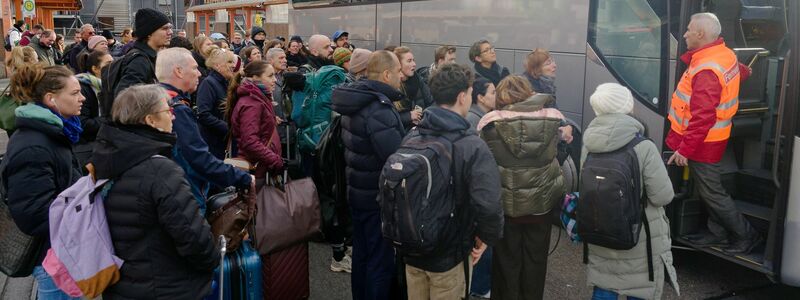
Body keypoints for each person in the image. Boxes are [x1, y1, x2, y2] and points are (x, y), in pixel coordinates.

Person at [91, 84, 219, 299]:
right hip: (168, 286)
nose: (174, 117)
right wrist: (212, 261)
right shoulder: (160, 170)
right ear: (150, 120)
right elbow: (193, 237)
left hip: (124, 283)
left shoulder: (107, 158)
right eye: (167, 111)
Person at [402, 63, 504, 300]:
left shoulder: (413, 134)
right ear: (462, 97)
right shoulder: (471, 144)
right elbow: (488, 203)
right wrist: (486, 238)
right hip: (450, 253)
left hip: (412, 248)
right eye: (469, 93)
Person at [667, 12, 759, 254]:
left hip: (703, 143)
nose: (684, 34)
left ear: (700, 34)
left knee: (712, 192)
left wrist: (684, 150)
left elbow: (702, 118)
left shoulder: (707, 70)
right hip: (713, 138)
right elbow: (741, 72)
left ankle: (746, 235)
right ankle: (716, 233)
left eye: (688, 30)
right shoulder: (723, 54)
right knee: (707, 189)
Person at [582, 83, 680, 300]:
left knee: (604, 287)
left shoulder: (589, 144)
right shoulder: (643, 146)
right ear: (628, 106)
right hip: (639, 239)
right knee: (639, 290)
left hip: (601, 231)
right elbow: (662, 196)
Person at [477, 75, 569, 300]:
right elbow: (558, 158)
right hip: (541, 208)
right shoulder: (552, 120)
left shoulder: (490, 124)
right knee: (536, 263)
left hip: (506, 208)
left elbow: (484, 166)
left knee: (506, 264)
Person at [3, 64, 83, 300]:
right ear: (51, 99)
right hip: (53, 256)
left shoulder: (52, 132)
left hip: (60, 250)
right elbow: (33, 213)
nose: (83, 97)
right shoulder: (35, 145)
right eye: (75, 93)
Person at [331, 50, 405, 300]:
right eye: (397, 72)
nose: (401, 77)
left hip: (358, 192)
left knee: (363, 258)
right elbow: (394, 155)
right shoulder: (378, 107)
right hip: (377, 197)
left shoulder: (358, 100)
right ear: (386, 74)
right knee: (379, 263)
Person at [156, 47, 253, 210]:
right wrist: (243, 178)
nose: (199, 73)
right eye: (194, 68)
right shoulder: (176, 109)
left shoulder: (157, 99)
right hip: (184, 193)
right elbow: (198, 158)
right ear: (179, 71)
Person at [111, 8, 173, 112]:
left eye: (170, 28)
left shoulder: (147, 57)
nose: (170, 32)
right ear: (149, 33)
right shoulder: (139, 61)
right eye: (164, 28)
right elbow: (125, 100)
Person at [74, 51, 114, 167]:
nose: (113, 66)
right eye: (109, 63)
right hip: (86, 147)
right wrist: (110, 120)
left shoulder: (107, 86)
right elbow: (83, 123)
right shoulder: (83, 88)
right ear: (95, 69)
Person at [197, 47, 237, 159]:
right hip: (212, 144)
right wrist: (228, 128)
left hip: (221, 142)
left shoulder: (226, 83)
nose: (234, 65)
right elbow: (204, 114)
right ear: (217, 65)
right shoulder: (208, 83)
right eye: (229, 62)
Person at [393, 46, 434, 130]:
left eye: (413, 60)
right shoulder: (392, 85)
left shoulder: (417, 79)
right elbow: (388, 118)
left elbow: (430, 102)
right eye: (409, 61)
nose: (414, 64)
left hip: (420, 130)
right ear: (399, 64)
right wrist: (409, 116)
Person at [264, 48, 292, 146]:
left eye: (285, 58)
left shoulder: (287, 76)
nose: (285, 60)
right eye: (281, 58)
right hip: (271, 131)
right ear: (270, 60)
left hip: (288, 130)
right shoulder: (262, 79)